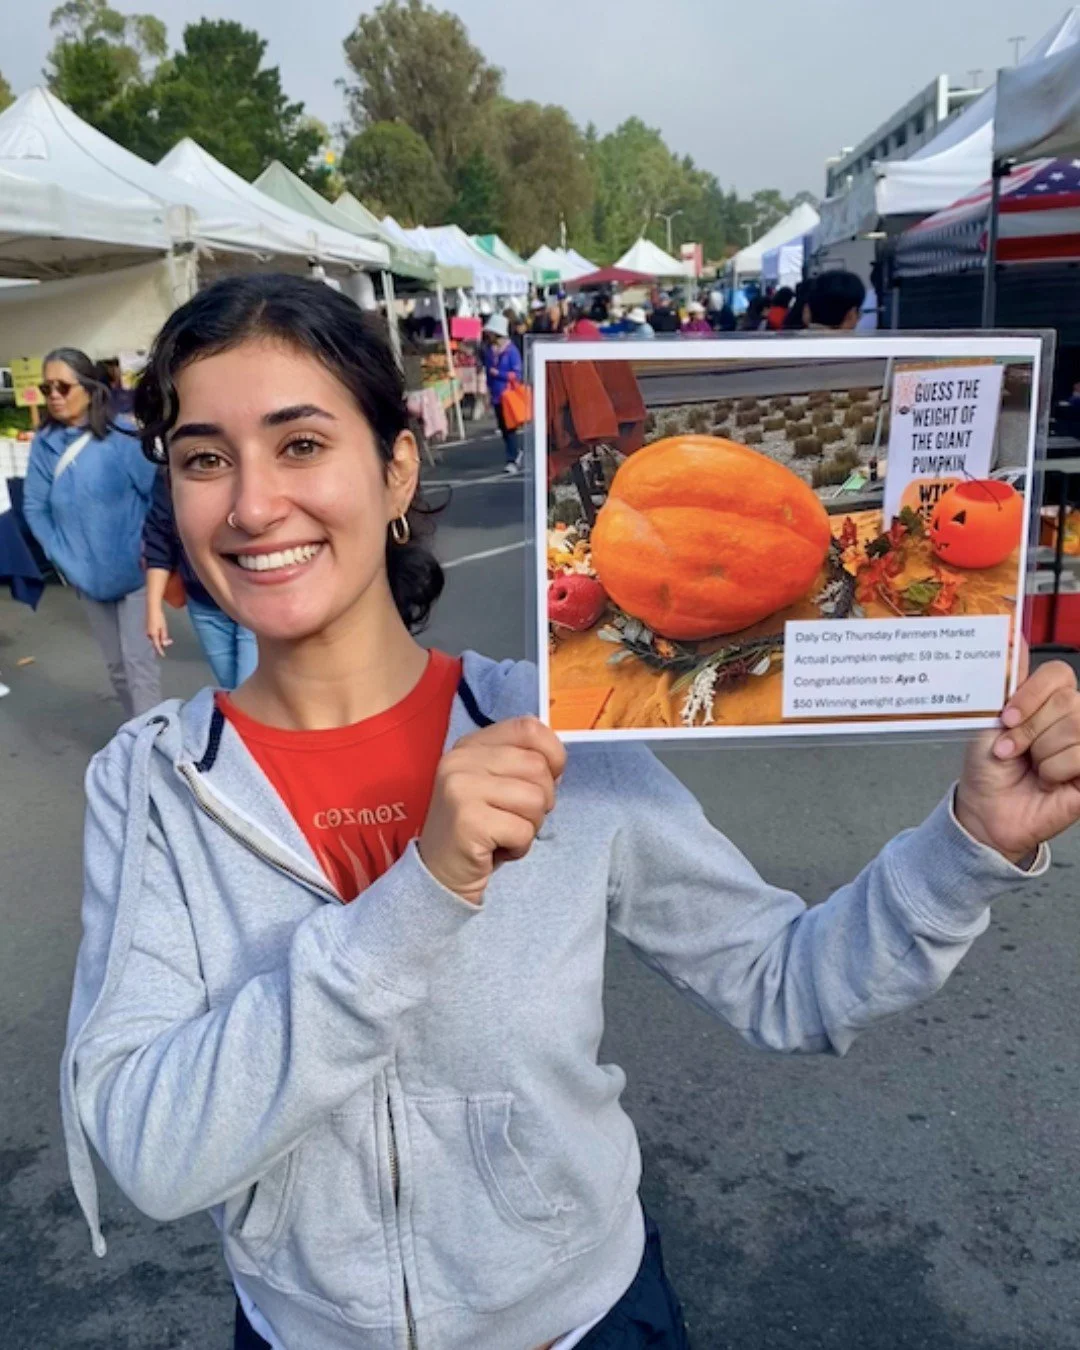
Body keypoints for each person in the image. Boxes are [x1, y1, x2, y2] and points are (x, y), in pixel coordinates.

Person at [61, 272, 1080, 1350]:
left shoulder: (558, 732)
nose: (254, 504)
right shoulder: (157, 783)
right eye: (205, 459)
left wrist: (972, 845)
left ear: (397, 467)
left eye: (301, 444)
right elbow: (151, 1150)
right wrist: (419, 898)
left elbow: (787, 984)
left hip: (581, 1321)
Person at [23, 347, 160, 718]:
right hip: (85, 576)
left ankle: (149, 743)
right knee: (117, 668)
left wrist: (149, 551)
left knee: (139, 666)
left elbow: (156, 497)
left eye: (63, 387)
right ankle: (136, 730)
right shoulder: (44, 444)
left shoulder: (124, 435)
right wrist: (60, 554)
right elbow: (35, 507)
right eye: (47, 387)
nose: (53, 395)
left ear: (89, 388)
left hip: (135, 572)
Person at [143, 469, 258, 690]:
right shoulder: (169, 473)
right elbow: (159, 539)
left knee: (249, 691)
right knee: (231, 690)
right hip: (204, 603)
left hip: (251, 596)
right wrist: (153, 609)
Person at [482, 313, 525, 473]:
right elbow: (488, 373)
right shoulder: (490, 351)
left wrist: (499, 374)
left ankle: (512, 459)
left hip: (508, 395)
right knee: (503, 428)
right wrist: (488, 390)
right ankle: (515, 453)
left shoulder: (511, 351)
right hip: (496, 395)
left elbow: (517, 374)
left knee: (510, 428)